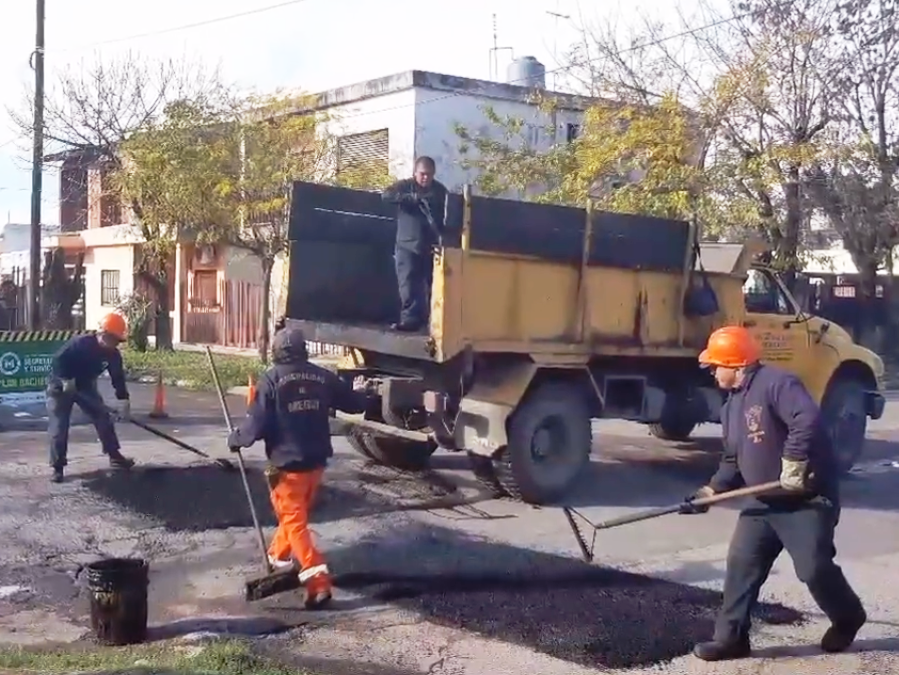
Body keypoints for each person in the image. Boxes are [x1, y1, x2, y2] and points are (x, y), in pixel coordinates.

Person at [681, 325, 866, 661]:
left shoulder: (777, 383)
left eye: (715, 365)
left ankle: (848, 616)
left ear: (736, 365)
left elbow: (806, 419)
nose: (711, 371)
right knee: (741, 565)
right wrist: (709, 491)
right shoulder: (730, 407)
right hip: (763, 503)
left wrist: (793, 462)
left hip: (806, 499)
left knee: (813, 568)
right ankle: (731, 639)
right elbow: (732, 461)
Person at [226, 325, 370, 609]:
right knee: (293, 517)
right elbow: (354, 404)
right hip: (316, 463)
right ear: (303, 350)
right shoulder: (321, 376)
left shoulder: (271, 380)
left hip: (288, 467)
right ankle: (278, 558)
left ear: (277, 351)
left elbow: (256, 425)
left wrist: (236, 439)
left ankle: (318, 583)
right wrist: (367, 394)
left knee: (293, 520)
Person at [46, 312, 135, 483]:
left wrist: (123, 400)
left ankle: (114, 456)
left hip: (85, 386)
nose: (114, 344)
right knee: (59, 425)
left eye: (117, 341)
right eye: (112, 339)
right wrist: (65, 379)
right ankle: (57, 467)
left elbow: (118, 377)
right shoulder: (81, 344)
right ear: (102, 333)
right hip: (60, 387)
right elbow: (57, 360)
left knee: (103, 416)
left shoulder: (113, 355)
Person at [381, 156, 448, 332]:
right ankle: (410, 320)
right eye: (422, 174)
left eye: (429, 174)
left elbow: (448, 211)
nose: (426, 178)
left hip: (431, 246)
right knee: (408, 285)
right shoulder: (405, 186)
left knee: (434, 286)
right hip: (407, 246)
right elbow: (386, 195)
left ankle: (433, 322)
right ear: (415, 173)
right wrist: (409, 198)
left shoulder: (440, 191)